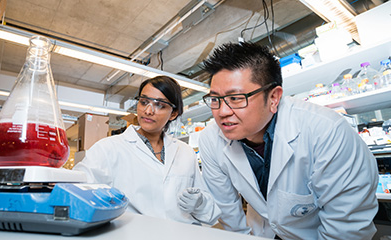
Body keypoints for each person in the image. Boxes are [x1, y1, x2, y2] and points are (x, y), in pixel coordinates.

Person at [198, 42, 378, 239]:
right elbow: (230, 215)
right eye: (215, 99)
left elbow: (345, 229)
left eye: (237, 98)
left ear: (274, 97)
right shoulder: (210, 139)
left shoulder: (327, 131)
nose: (222, 112)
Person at [73, 76, 220, 225]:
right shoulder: (108, 148)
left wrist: (199, 203)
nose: (148, 111)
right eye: (144, 102)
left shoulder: (186, 153)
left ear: (173, 114)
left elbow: (210, 214)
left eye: (159, 105)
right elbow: (77, 192)